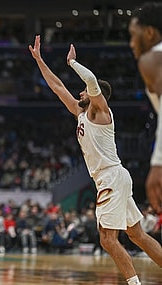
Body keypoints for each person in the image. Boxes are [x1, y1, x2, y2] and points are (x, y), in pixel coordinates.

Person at [29, 34, 162, 285]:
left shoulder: (102, 111)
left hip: (110, 176)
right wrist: (39, 60)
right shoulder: (81, 112)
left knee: (107, 239)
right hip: (114, 176)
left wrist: (72, 63)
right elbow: (57, 87)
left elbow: (90, 80)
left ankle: (134, 284)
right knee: (137, 235)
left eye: (84, 91)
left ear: (95, 95)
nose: (79, 92)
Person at [128, 2, 162, 215]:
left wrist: (158, 162)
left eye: (133, 35)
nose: (131, 43)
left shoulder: (153, 58)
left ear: (149, 32)